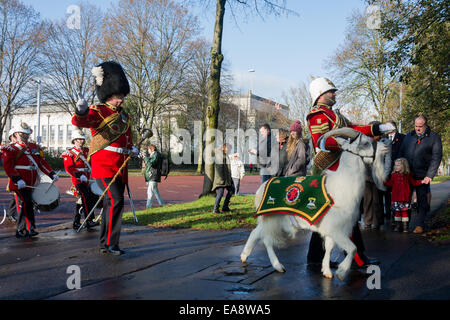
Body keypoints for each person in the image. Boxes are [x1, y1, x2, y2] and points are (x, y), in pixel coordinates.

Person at [305, 77, 395, 268]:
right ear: (321, 93)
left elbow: (353, 129)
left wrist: (377, 128)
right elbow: (321, 141)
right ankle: (356, 259)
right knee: (348, 214)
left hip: (340, 170)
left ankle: (315, 258)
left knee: (325, 215)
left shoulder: (333, 114)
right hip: (331, 170)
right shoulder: (317, 114)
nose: (335, 94)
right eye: (332, 91)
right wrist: (347, 141)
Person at [73, 61, 138, 255]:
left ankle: (108, 243)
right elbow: (81, 121)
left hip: (120, 167)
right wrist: (81, 110)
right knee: (115, 199)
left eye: (122, 96)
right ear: (109, 94)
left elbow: (126, 138)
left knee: (114, 203)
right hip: (104, 167)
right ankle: (109, 243)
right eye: (119, 96)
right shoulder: (99, 111)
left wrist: (131, 148)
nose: (121, 100)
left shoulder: (124, 116)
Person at [2, 122, 59, 238]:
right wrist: (17, 179)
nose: (25, 136)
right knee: (26, 203)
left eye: (26, 134)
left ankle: (30, 228)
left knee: (29, 204)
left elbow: (41, 163)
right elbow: (8, 166)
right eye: (22, 134)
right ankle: (21, 229)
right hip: (19, 183)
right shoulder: (11, 149)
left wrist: (51, 173)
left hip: (31, 182)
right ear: (16, 134)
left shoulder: (33, 148)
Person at [398, 115, 442, 234]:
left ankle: (419, 224)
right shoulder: (408, 136)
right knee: (405, 200)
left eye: (420, 126)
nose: (417, 129)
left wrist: (430, 175)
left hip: (423, 175)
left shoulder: (434, 138)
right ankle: (404, 224)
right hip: (408, 174)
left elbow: (436, 158)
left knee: (422, 201)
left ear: (425, 125)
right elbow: (401, 152)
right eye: (416, 126)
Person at [61, 128, 99, 230]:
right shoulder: (69, 153)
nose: (82, 141)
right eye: (79, 139)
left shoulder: (87, 151)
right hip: (77, 180)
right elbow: (68, 168)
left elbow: (92, 163)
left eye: (83, 139)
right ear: (74, 140)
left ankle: (76, 222)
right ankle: (89, 220)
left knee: (82, 199)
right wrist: (78, 175)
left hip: (87, 178)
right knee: (86, 197)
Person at [384, 158, 424, 232]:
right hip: (396, 197)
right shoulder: (393, 175)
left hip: (405, 198)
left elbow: (414, 182)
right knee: (397, 212)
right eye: (395, 165)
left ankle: (405, 227)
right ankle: (398, 226)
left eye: (398, 165)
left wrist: (422, 181)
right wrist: (383, 181)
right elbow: (390, 184)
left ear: (404, 166)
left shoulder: (407, 175)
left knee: (404, 212)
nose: (396, 167)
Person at [383, 120, 405, 224]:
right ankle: (388, 212)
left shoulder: (402, 138)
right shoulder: (383, 139)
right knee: (387, 193)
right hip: (387, 169)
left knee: (398, 193)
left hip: (398, 170)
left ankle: (399, 214)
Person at [212, 143, 234, 214]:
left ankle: (225, 207)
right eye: (229, 148)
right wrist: (221, 179)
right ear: (224, 148)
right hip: (221, 179)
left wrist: (230, 178)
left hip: (226, 179)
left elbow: (227, 169)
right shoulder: (219, 155)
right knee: (220, 193)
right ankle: (215, 208)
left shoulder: (225, 155)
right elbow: (219, 168)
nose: (230, 150)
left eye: (230, 149)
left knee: (231, 190)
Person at [144, 144, 164, 209]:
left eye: (148, 149)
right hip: (153, 175)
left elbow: (151, 163)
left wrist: (145, 158)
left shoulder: (156, 155)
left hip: (154, 175)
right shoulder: (154, 155)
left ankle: (148, 207)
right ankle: (162, 204)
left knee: (150, 192)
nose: (148, 150)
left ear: (151, 149)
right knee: (155, 191)